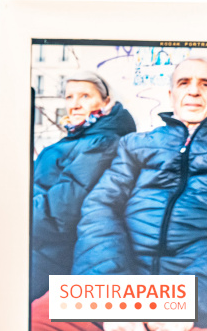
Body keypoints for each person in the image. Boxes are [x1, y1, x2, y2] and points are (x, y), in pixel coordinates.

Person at [31, 58, 207, 331]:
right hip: (118, 287)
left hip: (192, 296)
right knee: (36, 316)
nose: (194, 91)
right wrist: (112, 289)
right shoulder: (136, 144)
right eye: (184, 83)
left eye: (205, 84)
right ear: (171, 94)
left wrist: (189, 302)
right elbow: (99, 208)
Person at [30, 71, 136, 302]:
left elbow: (60, 213)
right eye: (69, 97)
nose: (75, 105)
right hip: (38, 252)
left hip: (50, 260)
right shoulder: (78, 139)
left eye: (85, 96)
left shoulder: (103, 142)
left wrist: (12, 216)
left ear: (106, 102)